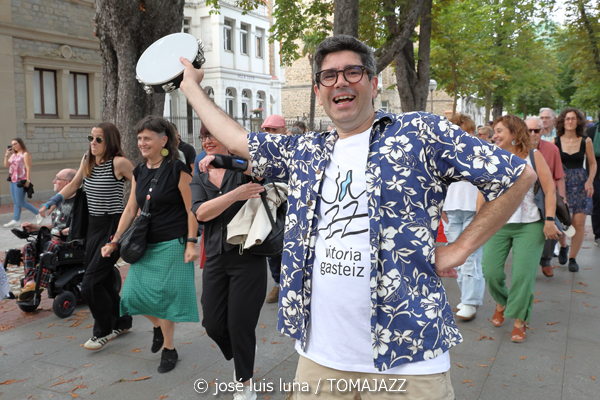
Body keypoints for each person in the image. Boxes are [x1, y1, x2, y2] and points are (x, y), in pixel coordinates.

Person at [181, 35, 536, 400]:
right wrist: (191, 86)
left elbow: (519, 176)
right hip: (321, 358)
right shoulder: (306, 150)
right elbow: (237, 138)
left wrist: (460, 249)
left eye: (352, 71)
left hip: (408, 357)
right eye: (329, 76)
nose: (341, 82)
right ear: (319, 91)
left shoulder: (420, 133)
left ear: (373, 82)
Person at [101, 116, 199, 373]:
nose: (142, 143)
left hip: (172, 243)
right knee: (131, 296)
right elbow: (130, 208)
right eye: (139, 138)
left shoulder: (178, 169)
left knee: (165, 300)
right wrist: (115, 241)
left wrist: (191, 242)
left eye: (147, 138)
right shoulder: (139, 171)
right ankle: (158, 327)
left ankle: (169, 348)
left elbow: (191, 209)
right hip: (144, 244)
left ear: (163, 140)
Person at [39, 122, 134, 350]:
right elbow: (74, 184)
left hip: (112, 226)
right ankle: (121, 321)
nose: (93, 143)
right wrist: (51, 202)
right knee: (101, 278)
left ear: (110, 141)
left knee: (90, 283)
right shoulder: (87, 160)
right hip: (93, 227)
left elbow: (139, 186)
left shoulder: (119, 163)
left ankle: (103, 330)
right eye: (91, 138)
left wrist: (136, 210)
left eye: (99, 139)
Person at [190, 127, 267, 400]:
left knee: (239, 324)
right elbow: (201, 213)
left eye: (212, 135)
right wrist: (235, 195)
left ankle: (244, 383)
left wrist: (224, 162)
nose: (207, 141)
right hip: (215, 256)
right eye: (203, 137)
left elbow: (257, 168)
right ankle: (242, 351)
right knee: (212, 324)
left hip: (248, 256)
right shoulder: (200, 175)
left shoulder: (241, 169)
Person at [480, 115, 561, 343]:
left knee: (523, 276)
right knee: (490, 271)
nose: (494, 135)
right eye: (494, 131)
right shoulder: (492, 157)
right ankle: (503, 302)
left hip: (530, 224)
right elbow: (483, 191)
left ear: (514, 134)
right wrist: (480, 221)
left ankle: (519, 320)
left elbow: (550, 190)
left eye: (499, 131)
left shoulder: (533, 157)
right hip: (499, 224)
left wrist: (549, 220)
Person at [441, 114, 483, 321]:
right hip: (451, 209)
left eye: (466, 131)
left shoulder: (480, 152)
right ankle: (466, 297)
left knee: (470, 258)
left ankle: (470, 301)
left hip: (473, 210)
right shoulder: (443, 152)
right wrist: (440, 207)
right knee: (456, 259)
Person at [16, 169, 77, 301]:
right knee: (28, 247)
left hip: (70, 243)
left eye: (57, 178)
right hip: (56, 241)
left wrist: (61, 232)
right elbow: (56, 225)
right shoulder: (59, 201)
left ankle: (38, 283)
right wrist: (37, 227)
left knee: (50, 246)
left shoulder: (79, 202)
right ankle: (30, 282)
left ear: (67, 182)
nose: (54, 181)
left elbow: (79, 226)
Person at [552, 108, 597, 272]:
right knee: (563, 221)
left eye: (573, 118)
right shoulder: (555, 141)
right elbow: (551, 165)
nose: (570, 121)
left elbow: (592, 163)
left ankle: (573, 258)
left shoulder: (586, 141)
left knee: (579, 223)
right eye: (567, 119)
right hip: (562, 184)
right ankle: (563, 246)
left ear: (578, 121)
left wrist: (590, 181)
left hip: (581, 183)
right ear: (562, 122)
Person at [525, 116, 566, 277]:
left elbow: (559, 175)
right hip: (525, 194)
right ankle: (527, 261)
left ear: (542, 131)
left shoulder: (552, 149)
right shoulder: (518, 149)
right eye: (529, 130)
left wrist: (562, 197)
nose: (533, 134)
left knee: (556, 227)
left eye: (536, 130)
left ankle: (546, 260)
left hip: (546, 194)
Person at [260, 114, 286, 304]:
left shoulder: (294, 150)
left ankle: (295, 285)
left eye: (274, 130)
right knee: (273, 247)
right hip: (270, 208)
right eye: (267, 130)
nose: (270, 133)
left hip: (293, 208)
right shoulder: (261, 152)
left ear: (283, 130)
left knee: (293, 248)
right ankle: (278, 283)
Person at [4, 138, 43, 228]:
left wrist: (28, 180)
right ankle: (16, 220)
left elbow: (28, 168)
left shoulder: (25, 154)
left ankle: (38, 213)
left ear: (20, 143)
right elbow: (6, 165)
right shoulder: (14, 155)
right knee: (16, 202)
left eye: (15, 144)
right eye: (13, 144)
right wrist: (6, 155)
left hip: (21, 180)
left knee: (20, 201)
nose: (14, 146)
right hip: (13, 180)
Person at [585, 112, 600, 247]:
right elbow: (589, 160)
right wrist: (589, 179)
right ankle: (598, 234)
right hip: (596, 176)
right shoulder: (591, 132)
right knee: (597, 205)